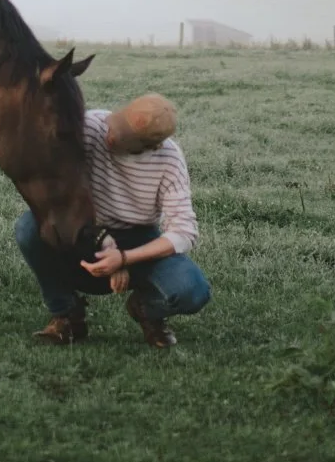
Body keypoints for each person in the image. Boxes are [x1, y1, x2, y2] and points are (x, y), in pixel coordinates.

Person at [14, 92, 210, 350]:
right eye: (115, 127)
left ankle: (146, 309)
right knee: (30, 227)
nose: (111, 137)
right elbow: (50, 180)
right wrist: (104, 243)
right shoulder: (93, 125)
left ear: (152, 147)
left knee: (193, 291)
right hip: (83, 228)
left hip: (138, 236)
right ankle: (67, 315)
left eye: (122, 140)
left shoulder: (170, 160)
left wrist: (125, 258)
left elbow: (184, 233)